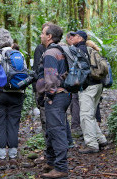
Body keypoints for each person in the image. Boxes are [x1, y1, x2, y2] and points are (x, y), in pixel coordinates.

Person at [36, 23, 70, 179]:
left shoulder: (50, 53)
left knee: (56, 132)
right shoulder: (61, 50)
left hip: (56, 96)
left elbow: (50, 79)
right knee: (52, 130)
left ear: (49, 36)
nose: (41, 36)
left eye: (43, 33)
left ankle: (61, 168)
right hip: (64, 94)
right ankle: (51, 162)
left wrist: (48, 96)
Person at [0, 28, 25, 170]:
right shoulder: (19, 54)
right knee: (13, 124)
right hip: (17, 93)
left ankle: (2, 158)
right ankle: (13, 158)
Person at [69, 31, 107, 154]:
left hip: (88, 86)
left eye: (73, 36)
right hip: (98, 83)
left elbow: (81, 69)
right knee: (90, 114)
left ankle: (92, 145)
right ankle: (101, 139)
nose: (71, 38)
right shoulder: (89, 49)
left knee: (86, 115)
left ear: (80, 38)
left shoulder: (79, 50)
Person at [65, 32, 82, 135]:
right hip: (79, 78)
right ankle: (77, 125)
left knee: (75, 101)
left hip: (75, 78)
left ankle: (75, 125)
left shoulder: (72, 49)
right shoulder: (79, 48)